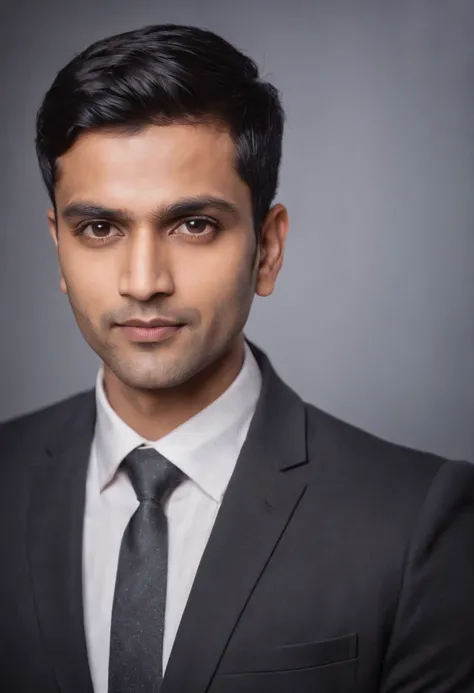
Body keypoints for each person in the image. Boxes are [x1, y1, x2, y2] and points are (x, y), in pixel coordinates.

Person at [0, 23, 473, 693]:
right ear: (59, 246)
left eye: (194, 224)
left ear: (268, 248)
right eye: (100, 228)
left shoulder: (419, 522)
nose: (143, 280)